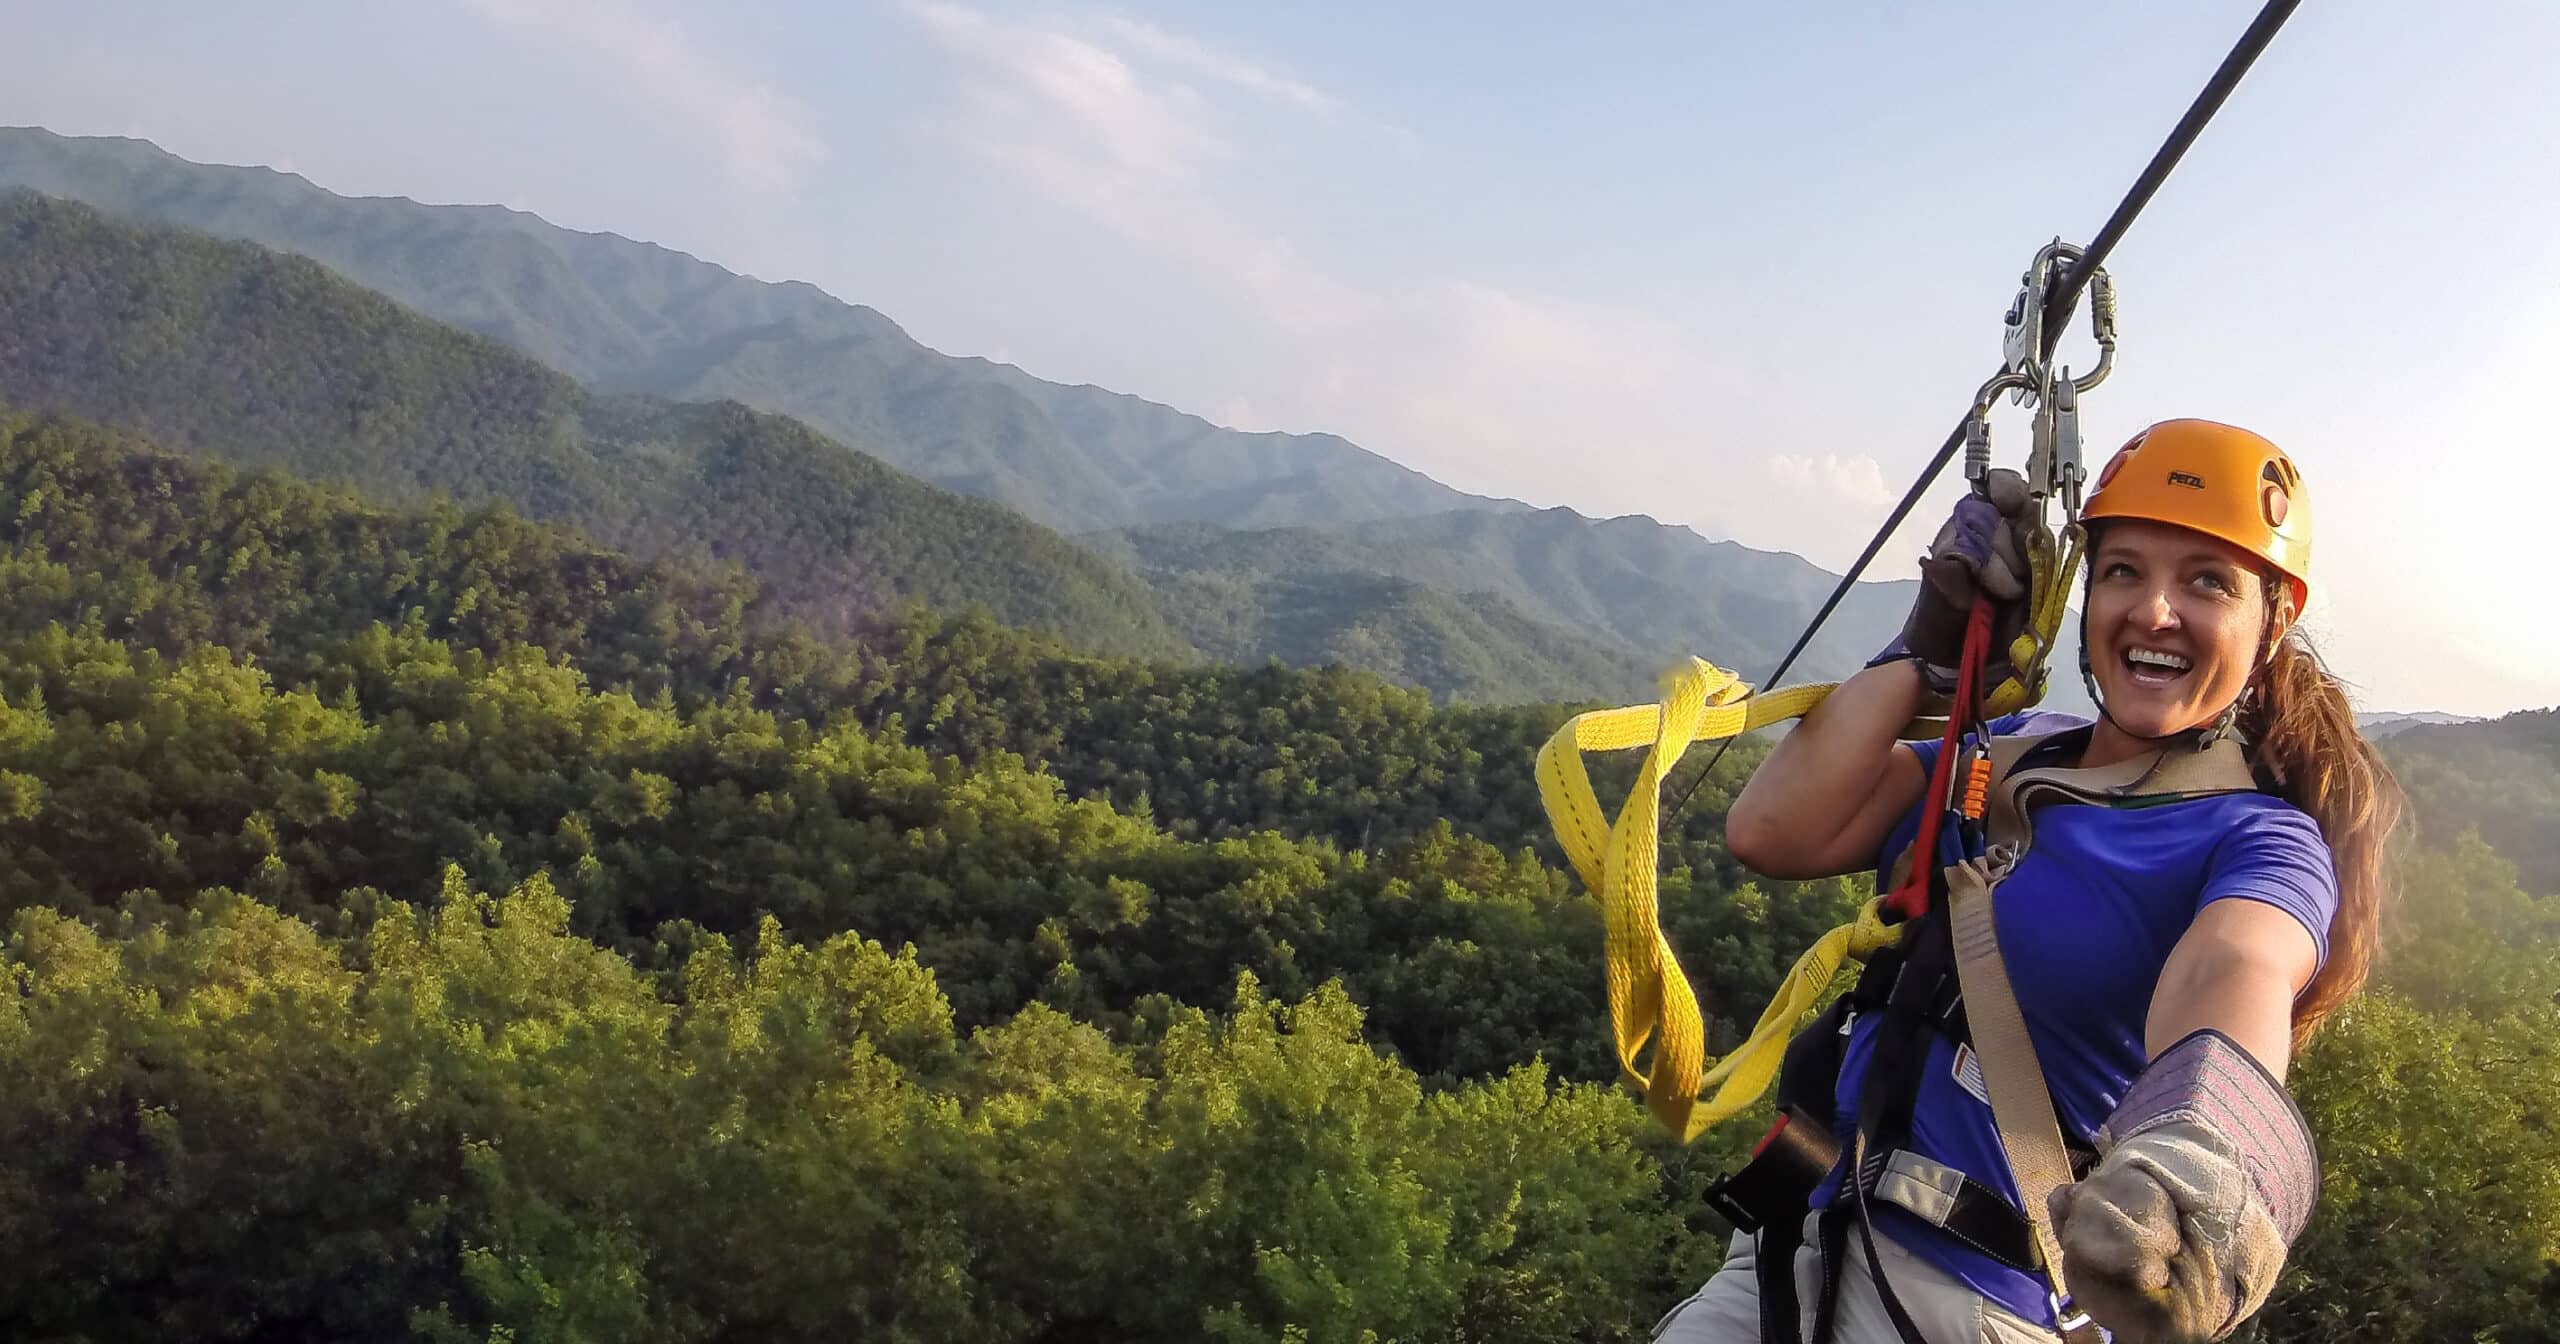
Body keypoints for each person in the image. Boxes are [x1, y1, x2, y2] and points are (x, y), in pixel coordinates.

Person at [1652, 419, 2401, 1343]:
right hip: (1790, 1252)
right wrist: (1923, 653)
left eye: (2207, 581)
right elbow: (1774, 828)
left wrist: (2208, 1147)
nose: (2155, 611)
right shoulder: (2015, 756)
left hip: (1967, 1304)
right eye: (2124, 570)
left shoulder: (2258, 838)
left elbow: (2236, 965)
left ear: (2273, 619)